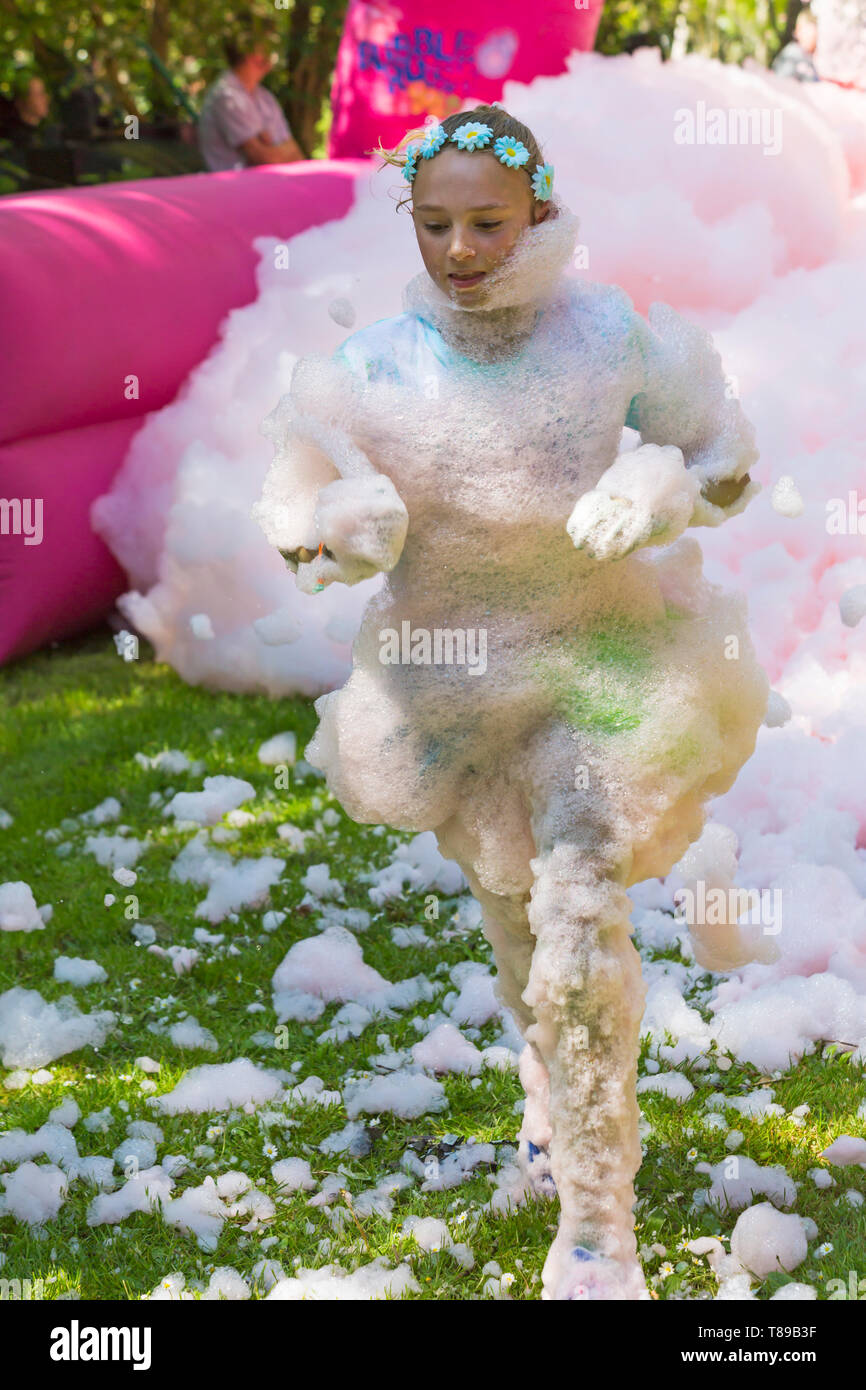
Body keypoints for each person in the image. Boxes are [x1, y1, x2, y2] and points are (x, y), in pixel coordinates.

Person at [255, 102, 769, 1299]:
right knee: (513, 928)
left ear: (539, 211)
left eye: (487, 222)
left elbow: (723, 457)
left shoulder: (606, 336)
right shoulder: (375, 365)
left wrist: (658, 486)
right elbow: (293, 495)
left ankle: (597, 1233)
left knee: (579, 924)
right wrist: (330, 522)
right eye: (433, 225)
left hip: (598, 674)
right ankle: (548, 1118)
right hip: (452, 689)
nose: (459, 250)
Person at [197, 32, 305, 171]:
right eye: (262, 50)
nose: (268, 57)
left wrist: (270, 143)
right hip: (237, 188)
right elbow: (263, 158)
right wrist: (276, 147)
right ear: (244, 54)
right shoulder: (226, 96)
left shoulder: (265, 97)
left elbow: (296, 153)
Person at [772, 6, 820, 82]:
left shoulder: (809, 57)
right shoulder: (793, 54)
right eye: (809, 33)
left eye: (815, 34)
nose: (813, 38)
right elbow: (781, 84)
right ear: (798, 30)